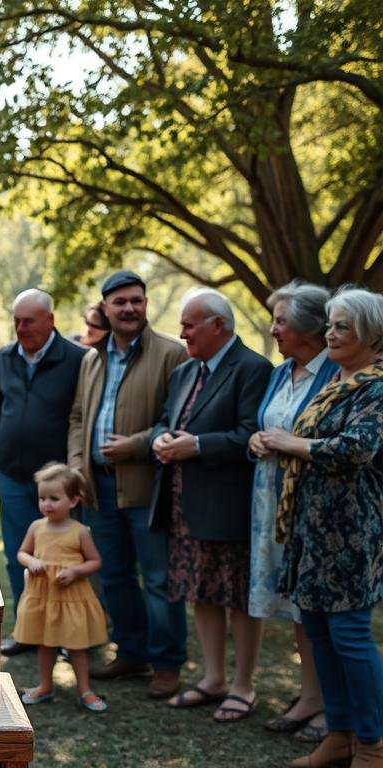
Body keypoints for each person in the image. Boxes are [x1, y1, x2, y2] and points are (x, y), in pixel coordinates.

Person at [262, 287, 383, 768]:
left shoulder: (377, 386)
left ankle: (373, 745)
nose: (330, 333)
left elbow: (357, 448)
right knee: (317, 630)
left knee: (350, 636)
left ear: (372, 334)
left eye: (341, 326)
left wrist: (292, 444)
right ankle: (339, 735)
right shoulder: (337, 382)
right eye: (329, 324)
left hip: (351, 533)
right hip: (309, 530)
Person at [67, 270, 189, 698]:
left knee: (158, 578)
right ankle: (132, 651)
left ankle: (168, 663)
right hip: (97, 488)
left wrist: (136, 445)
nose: (129, 308)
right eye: (120, 302)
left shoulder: (172, 354)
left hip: (146, 487)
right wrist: (76, 467)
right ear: (105, 308)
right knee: (115, 575)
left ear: (146, 304)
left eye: (137, 300)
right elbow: (79, 417)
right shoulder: (91, 358)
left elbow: (176, 421)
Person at [151, 289, 271, 722]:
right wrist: (161, 438)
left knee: (236, 594)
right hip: (184, 503)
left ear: (218, 325)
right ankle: (213, 678)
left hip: (228, 505)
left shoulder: (253, 368)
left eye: (189, 324)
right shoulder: (185, 372)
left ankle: (244, 686)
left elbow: (253, 437)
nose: (181, 333)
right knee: (199, 591)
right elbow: (167, 421)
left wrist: (197, 446)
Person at [248, 282, 336, 743]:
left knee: (315, 607)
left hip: (312, 505)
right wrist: (256, 441)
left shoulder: (337, 373)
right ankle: (310, 695)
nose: (274, 328)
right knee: (296, 607)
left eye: (281, 320)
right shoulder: (282, 372)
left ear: (309, 325)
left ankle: (330, 704)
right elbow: (268, 426)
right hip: (270, 500)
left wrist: (288, 444)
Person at [0, 289, 86, 656]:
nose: (20, 328)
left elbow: (81, 415)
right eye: (16, 320)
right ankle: (27, 630)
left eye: (28, 321)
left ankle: (60, 636)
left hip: (56, 481)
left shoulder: (77, 359)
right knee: (18, 554)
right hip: (10, 471)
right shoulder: (5, 356)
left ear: (50, 320)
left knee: (60, 556)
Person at [14, 463, 108, 713]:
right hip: (43, 595)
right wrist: (32, 561)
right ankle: (45, 685)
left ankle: (84, 690)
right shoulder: (36, 527)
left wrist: (76, 571)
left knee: (76, 645)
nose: (47, 504)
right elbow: (22, 553)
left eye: (54, 498)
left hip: (70, 596)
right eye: (42, 498)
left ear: (74, 501)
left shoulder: (80, 531)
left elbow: (95, 561)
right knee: (45, 643)